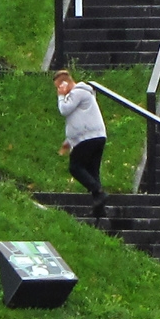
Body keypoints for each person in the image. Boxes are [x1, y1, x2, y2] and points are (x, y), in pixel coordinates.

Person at [54, 70, 108, 218]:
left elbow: (64, 110)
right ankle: (99, 208)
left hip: (88, 139)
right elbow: (79, 120)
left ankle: (99, 193)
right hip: (96, 136)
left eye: (58, 86)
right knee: (92, 172)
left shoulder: (77, 93)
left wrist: (61, 96)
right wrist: (68, 141)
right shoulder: (82, 95)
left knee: (75, 167)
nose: (58, 90)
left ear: (64, 83)